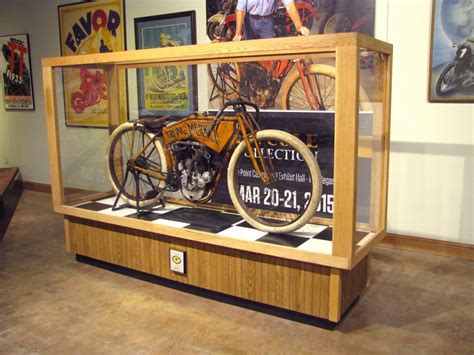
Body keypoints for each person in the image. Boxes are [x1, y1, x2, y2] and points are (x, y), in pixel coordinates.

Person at [233, 0, 310, 41]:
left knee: (268, 51)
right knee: (249, 51)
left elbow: (290, 6)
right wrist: (238, 33)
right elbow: (241, 10)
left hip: (267, 22)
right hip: (250, 21)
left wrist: (299, 27)